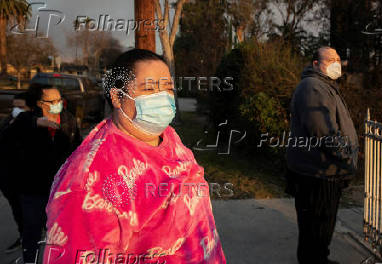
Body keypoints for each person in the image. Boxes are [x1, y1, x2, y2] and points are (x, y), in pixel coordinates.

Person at [43, 49, 226, 264]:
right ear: (117, 97)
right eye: (149, 88)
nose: (163, 97)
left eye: (168, 87)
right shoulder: (89, 182)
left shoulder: (168, 136)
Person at [286, 46, 359, 264]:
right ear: (316, 64)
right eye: (330, 59)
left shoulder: (324, 85)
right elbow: (323, 132)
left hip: (320, 171)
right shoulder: (313, 87)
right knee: (317, 229)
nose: (337, 63)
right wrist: (346, 157)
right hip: (319, 174)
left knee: (316, 231)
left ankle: (318, 259)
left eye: (338, 59)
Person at [0, 83, 81, 263]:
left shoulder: (68, 119)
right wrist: (35, 123)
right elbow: (7, 138)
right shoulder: (26, 119)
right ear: (40, 103)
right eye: (52, 101)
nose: (57, 103)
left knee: (64, 232)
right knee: (32, 231)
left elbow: (77, 148)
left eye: (59, 99)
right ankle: (30, 259)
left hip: (62, 189)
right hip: (33, 189)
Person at [0, 92, 31, 253]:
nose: (16, 110)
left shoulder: (36, 125)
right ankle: (23, 237)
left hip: (29, 180)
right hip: (9, 178)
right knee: (18, 212)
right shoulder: (8, 122)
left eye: (20, 107)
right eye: (14, 107)